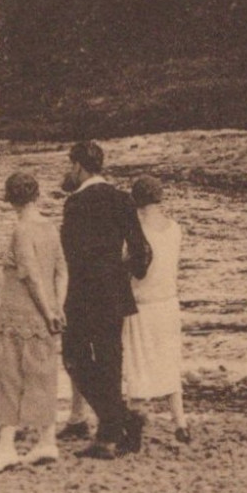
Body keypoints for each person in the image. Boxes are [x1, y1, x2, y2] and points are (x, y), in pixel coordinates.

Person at [60, 140, 154, 459]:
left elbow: (70, 256)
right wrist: (124, 273)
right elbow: (142, 251)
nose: (68, 171)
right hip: (115, 293)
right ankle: (115, 430)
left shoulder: (75, 204)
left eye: (69, 165)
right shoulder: (122, 199)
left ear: (78, 166)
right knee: (111, 362)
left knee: (74, 358)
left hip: (84, 295)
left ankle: (116, 423)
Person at [0, 172, 68, 473]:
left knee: (8, 378)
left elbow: (30, 275)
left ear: (12, 201)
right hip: (47, 314)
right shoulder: (50, 227)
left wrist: (46, 310)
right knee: (42, 375)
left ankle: (6, 446)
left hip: (20, 313)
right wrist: (57, 308)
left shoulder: (21, 230)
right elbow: (61, 271)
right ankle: (47, 439)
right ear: (36, 196)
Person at [122, 176, 190, 443]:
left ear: (136, 202)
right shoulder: (174, 229)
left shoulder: (136, 233)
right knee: (170, 363)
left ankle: (135, 427)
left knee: (138, 366)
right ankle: (180, 423)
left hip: (143, 305)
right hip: (169, 303)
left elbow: (130, 268)